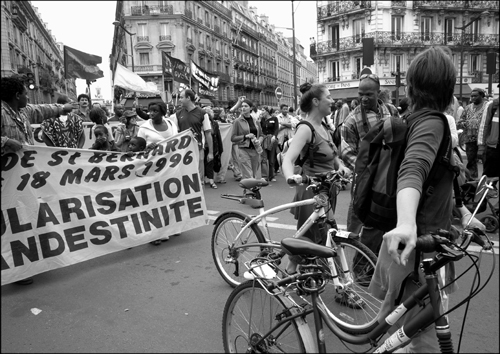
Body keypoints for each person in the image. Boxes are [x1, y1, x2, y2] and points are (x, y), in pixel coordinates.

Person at [368, 46, 460, 352]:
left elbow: (435, 176)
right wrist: (407, 223)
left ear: (411, 86)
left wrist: (461, 208)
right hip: (417, 254)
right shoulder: (433, 123)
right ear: (449, 86)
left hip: (415, 250)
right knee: (422, 342)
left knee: (394, 332)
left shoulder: (418, 119)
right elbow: (413, 169)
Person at [1, 76, 75, 285]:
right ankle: (16, 270)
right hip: (5, 181)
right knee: (9, 222)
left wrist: (64, 108)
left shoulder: (22, 111)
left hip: (23, 179)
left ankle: (30, 260)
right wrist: (5, 141)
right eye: (25, 93)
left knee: (26, 217)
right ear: (17, 96)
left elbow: (42, 109)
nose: (27, 97)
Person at [282, 82, 349, 274]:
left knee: (314, 234)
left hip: (328, 188)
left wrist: (341, 166)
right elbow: (289, 158)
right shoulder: (306, 128)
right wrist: (290, 177)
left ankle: (295, 270)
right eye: (328, 97)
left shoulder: (324, 127)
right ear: (315, 101)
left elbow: (332, 155)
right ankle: (295, 271)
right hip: (312, 189)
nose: (332, 100)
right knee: (316, 233)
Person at [341, 72, 397, 258]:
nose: (364, 98)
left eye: (369, 94)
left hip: (387, 173)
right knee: (360, 210)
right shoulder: (351, 120)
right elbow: (346, 150)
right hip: (365, 175)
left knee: (384, 213)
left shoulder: (391, 111)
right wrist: (365, 169)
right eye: (360, 94)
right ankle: (359, 250)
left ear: (377, 93)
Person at [137, 101, 179, 245]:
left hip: (171, 167)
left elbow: (178, 140)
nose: (151, 113)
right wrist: (148, 147)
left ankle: (168, 228)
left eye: (155, 111)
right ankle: (154, 234)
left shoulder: (171, 124)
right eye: (150, 111)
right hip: (153, 168)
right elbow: (138, 147)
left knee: (169, 197)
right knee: (155, 199)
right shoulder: (144, 128)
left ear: (162, 112)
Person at [173, 89, 214, 183]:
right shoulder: (178, 114)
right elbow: (176, 133)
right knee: (186, 176)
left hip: (198, 149)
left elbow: (208, 133)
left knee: (199, 178)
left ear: (188, 98)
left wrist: (210, 152)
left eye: (181, 97)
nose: (179, 99)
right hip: (183, 150)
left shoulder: (202, 113)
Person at [457, 88, 488, 179]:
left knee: (485, 159)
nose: (473, 98)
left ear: (482, 96)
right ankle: (472, 179)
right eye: (472, 96)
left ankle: (485, 179)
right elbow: (460, 121)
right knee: (471, 160)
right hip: (470, 138)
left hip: (483, 138)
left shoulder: (487, 106)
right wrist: (463, 123)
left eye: (475, 96)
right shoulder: (467, 108)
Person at [231, 99, 263, 179]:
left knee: (253, 175)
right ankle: (251, 190)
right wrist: (245, 136)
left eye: (246, 106)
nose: (243, 108)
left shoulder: (256, 121)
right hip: (244, 150)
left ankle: (248, 191)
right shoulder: (237, 121)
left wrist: (259, 140)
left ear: (251, 108)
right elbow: (233, 138)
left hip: (255, 150)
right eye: (242, 106)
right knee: (248, 176)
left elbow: (262, 135)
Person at [478, 88, 499, 190]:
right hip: (494, 149)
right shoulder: (492, 105)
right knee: (488, 180)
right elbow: (483, 127)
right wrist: (481, 147)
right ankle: (481, 204)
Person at [260, 106, 279, 182]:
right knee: (264, 159)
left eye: (263, 110)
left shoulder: (274, 119)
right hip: (264, 139)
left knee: (271, 159)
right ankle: (264, 176)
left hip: (272, 139)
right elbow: (260, 129)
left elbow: (276, 128)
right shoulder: (262, 119)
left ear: (267, 111)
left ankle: (272, 176)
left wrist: (274, 136)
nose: (262, 112)